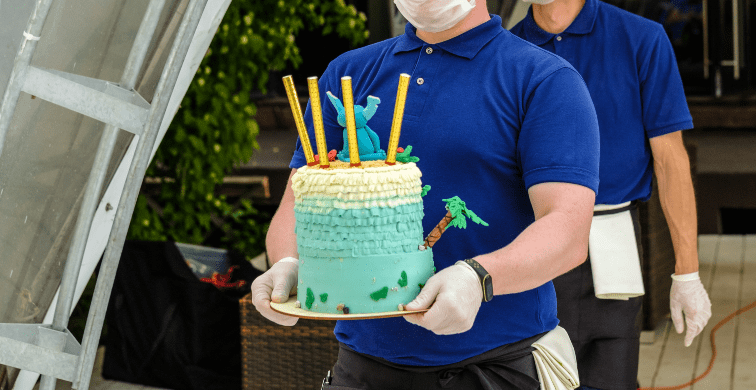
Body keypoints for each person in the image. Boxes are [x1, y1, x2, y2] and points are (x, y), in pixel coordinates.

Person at [251, 0, 601, 388]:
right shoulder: (349, 74)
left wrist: (479, 277)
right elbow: (300, 202)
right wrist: (287, 262)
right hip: (361, 368)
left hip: (495, 368)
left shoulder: (544, 78)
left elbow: (567, 229)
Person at [510, 1, 713, 389]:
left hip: (613, 237)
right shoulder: (507, 49)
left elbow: (671, 161)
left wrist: (687, 272)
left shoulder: (641, 38)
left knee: (613, 377)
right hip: (534, 243)